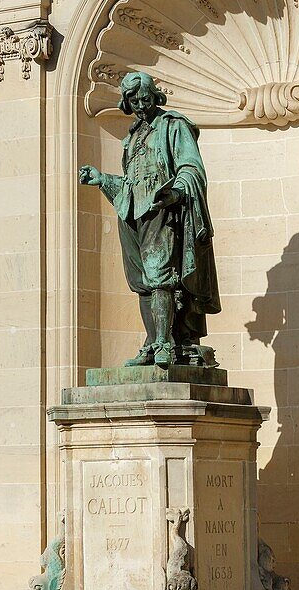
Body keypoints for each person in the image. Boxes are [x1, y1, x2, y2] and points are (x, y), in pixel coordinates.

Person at [79, 71, 220, 368]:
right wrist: (102, 179)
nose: (141, 105)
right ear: (127, 102)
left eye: (145, 99)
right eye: (134, 101)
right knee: (141, 281)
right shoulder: (133, 135)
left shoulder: (173, 126)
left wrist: (175, 193)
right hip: (132, 213)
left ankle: (164, 343)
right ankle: (152, 340)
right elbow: (132, 183)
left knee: (160, 277)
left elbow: (191, 169)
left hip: (161, 208)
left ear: (155, 96)